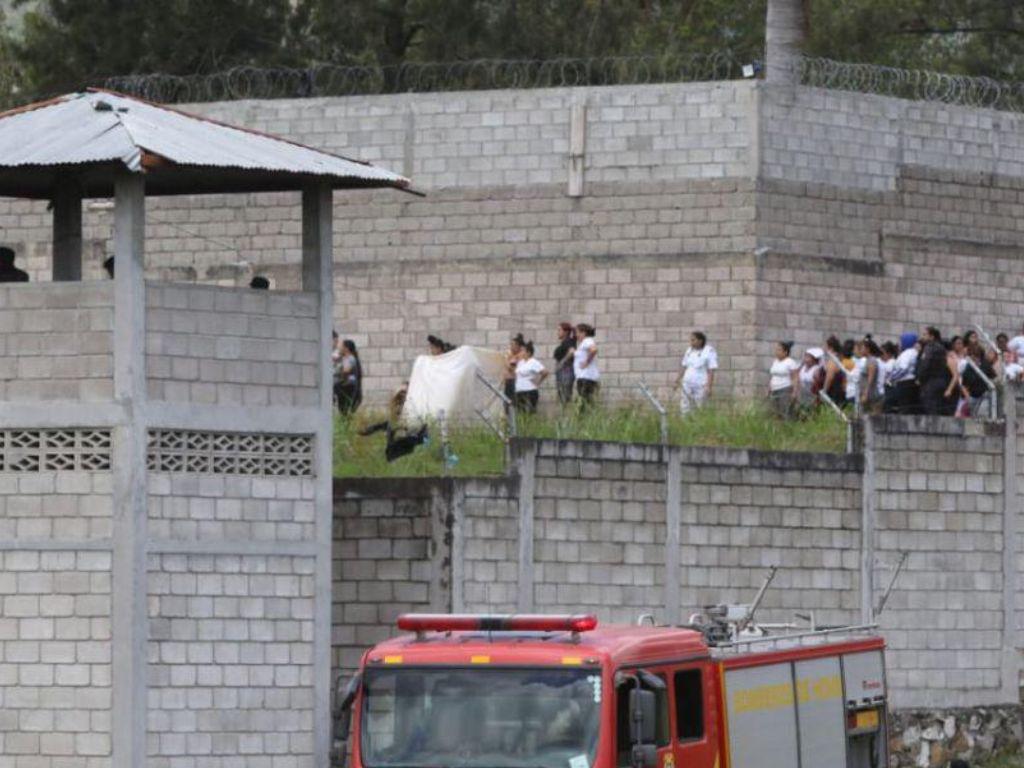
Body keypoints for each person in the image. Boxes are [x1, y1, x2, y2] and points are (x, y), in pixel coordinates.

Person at [917, 326, 957, 416]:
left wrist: (919, 377)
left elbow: (925, 365)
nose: (922, 337)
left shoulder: (930, 348)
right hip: (939, 382)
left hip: (931, 383)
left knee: (930, 408)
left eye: (925, 335)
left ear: (932, 336)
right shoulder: (939, 348)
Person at [675, 331, 718, 413]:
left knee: (700, 405)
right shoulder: (689, 351)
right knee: (685, 404)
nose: (691, 342)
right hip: (687, 382)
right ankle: (685, 422)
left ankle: (699, 423)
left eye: (693, 340)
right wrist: (678, 379)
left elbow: (711, 370)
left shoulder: (709, 351)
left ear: (700, 341)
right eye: (690, 340)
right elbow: (684, 366)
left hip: (700, 383)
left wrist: (709, 386)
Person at [884, 332, 920, 414]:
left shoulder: (907, 353)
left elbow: (903, 368)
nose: (899, 344)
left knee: (904, 407)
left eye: (901, 341)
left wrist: (892, 378)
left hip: (905, 383)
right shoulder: (913, 352)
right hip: (910, 382)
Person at [961, 339, 996, 416]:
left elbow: (993, 377)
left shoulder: (986, 365)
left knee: (982, 413)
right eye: (972, 355)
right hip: (973, 396)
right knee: (972, 414)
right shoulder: (968, 367)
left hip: (985, 394)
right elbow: (964, 384)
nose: (974, 357)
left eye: (976, 355)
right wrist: (967, 397)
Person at [767, 341, 799, 419]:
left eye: (779, 350)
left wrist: (794, 392)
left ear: (785, 352)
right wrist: (769, 388)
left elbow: (795, 377)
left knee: (785, 411)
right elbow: (773, 376)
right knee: (775, 412)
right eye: (776, 350)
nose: (776, 352)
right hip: (774, 389)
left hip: (785, 389)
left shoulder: (790, 362)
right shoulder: (775, 362)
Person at [514, 342, 548, 413]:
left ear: (528, 353)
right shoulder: (521, 362)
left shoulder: (533, 362)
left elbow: (545, 372)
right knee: (520, 413)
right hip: (519, 391)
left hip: (529, 391)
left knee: (530, 412)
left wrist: (538, 382)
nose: (521, 352)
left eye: (523, 351)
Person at [856, 337, 884, 415]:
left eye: (862, 348)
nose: (860, 350)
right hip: (867, 394)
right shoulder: (867, 360)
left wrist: (865, 393)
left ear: (868, 349)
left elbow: (870, 378)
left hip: (870, 395)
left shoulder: (872, 361)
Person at [573, 324, 600, 405]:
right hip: (584, 377)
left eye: (577, 332)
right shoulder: (583, 343)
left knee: (584, 403)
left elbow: (594, 350)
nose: (576, 335)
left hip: (586, 377)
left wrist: (586, 362)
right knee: (587, 403)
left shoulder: (587, 341)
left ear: (583, 333)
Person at [334, 340, 362, 415]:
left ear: (346, 348)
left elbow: (346, 371)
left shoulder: (350, 358)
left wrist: (336, 374)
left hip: (347, 387)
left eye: (341, 346)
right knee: (342, 410)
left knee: (344, 410)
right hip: (344, 387)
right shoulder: (345, 358)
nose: (340, 348)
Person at [552, 322, 576, 405]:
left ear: (565, 332)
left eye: (559, 330)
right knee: (563, 396)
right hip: (563, 371)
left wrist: (562, 362)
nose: (557, 332)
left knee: (565, 396)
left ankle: (567, 416)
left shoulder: (568, 341)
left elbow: (572, 351)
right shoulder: (565, 342)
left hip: (566, 371)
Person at [821, 336, 847, 407]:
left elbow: (829, 377)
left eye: (825, 346)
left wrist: (824, 391)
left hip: (833, 391)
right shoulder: (838, 359)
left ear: (831, 348)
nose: (823, 348)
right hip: (837, 390)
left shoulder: (833, 361)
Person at [796, 347, 824, 411]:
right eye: (805, 357)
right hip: (802, 395)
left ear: (814, 359)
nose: (806, 359)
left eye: (808, 357)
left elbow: (817, 386)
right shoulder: (803, 368)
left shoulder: (816, 369)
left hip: (812, 396)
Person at [503, 333, 525, 401]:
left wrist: (510, 359)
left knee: (516, 401)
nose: (511, 347)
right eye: (511, 345)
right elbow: (507, 365)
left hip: (516, 381)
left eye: (513, 345)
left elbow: (512, 368)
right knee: (507, 400)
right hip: (508, 380)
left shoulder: (522, 354)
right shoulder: (509, 353)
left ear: (518, 346)